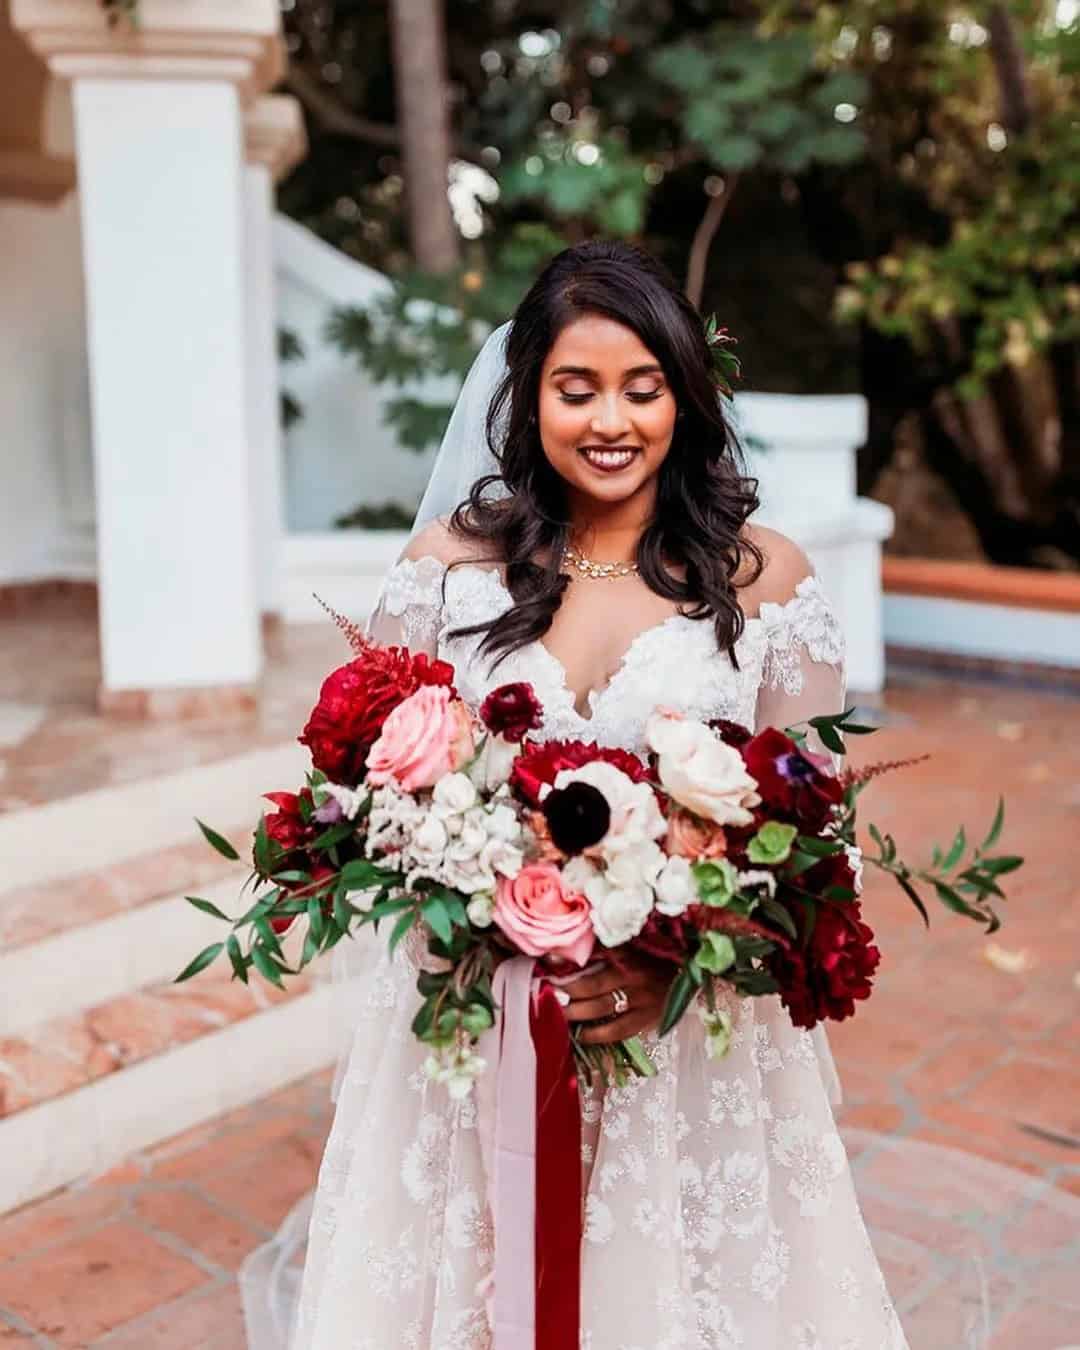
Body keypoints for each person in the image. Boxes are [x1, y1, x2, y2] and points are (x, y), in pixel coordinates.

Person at [283, 239, 910, 1348]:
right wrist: (480, 924)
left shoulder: (766, 579)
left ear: (685, 394)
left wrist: (666, 963)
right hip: (476, 1034)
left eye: (643, 386)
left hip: (684, 1043)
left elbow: (815, 845)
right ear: (529, 399)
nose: (610, 420)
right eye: (576, 389)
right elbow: (370, 803)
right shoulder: (447, 568)